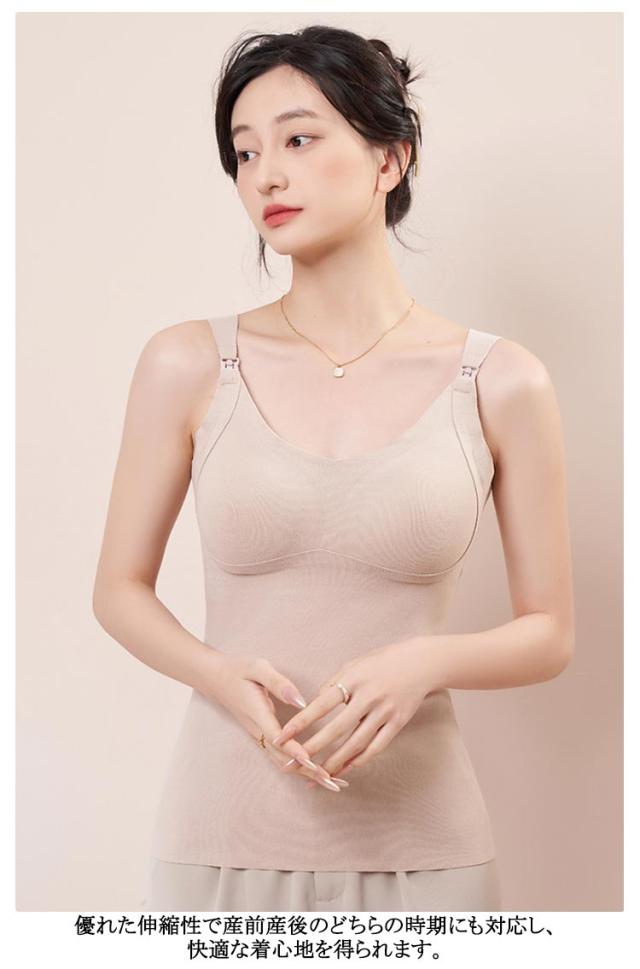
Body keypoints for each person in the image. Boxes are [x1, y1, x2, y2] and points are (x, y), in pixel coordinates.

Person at [92, 25, 575, 913]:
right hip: (219, 838)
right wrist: (216, 672)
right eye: (245, 153)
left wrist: (424, 661)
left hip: (428, 851)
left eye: (299, 139)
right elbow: (117, 590)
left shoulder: (501, 380)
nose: (266, 176)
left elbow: (551, 631)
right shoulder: (188, 363)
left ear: (391, 156)